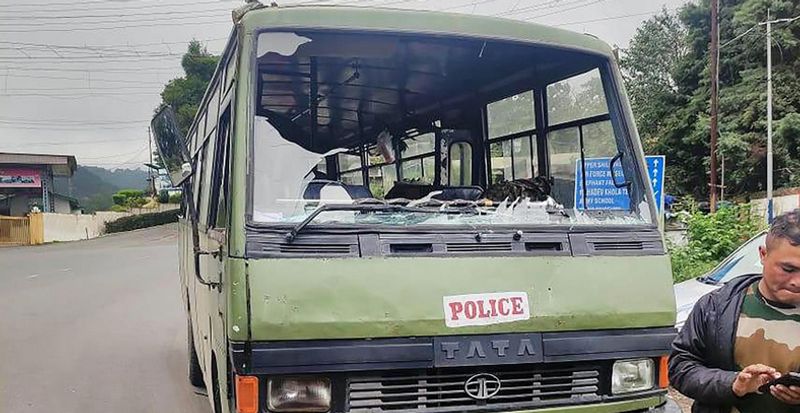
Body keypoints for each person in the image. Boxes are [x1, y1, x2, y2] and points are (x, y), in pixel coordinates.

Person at [669, 209, 800, 412]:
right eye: (788, 269)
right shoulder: (716, 307)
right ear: (763, 255)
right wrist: (732, 384)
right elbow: (680, 366)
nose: (797, 281)